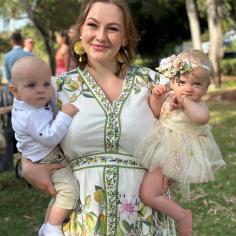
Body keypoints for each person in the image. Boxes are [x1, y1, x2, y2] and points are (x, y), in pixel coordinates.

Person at [21, 1, 177, 235]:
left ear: (125, 37)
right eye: (93, 25)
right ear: (81, 30)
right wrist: (27, 163)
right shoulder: (58, 89)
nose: (101, 36)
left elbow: (188, 131)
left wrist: (173, 165)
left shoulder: (153, 84)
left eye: (113, 28)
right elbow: (26, 125)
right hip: (81, 221)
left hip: (145, 222)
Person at [135, 49, 225, 235]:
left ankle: (182, 216)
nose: (188, 88)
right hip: (162, 148)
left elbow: (202, 118)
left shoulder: (197, 105)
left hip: (178, 150)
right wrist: (157, 97)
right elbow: (156, 111)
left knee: (148, 194)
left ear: (207, 87)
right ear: (172, 81)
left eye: (197, 84)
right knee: (151, 188)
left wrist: (185, 103)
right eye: (182, 82)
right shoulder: (171, 96)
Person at [9, 56, 80, 236]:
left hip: (41, 155)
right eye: (32, 85)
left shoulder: (28, 103)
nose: (41, 90)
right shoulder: (30, 115)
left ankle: (46, 226)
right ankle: (53, 227)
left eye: (46, 84)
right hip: (47, 156)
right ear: (15, 91)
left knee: (60, 194)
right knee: (69, 192)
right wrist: (65, 115)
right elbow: (49, 137)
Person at [1, 32, 32, 171]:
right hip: (28, 91)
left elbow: (7, 75)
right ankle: (27, 162)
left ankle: (12, 165)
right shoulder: (29, 55)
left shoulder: (6, 57)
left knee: (13, 124)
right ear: (21, 40)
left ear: (12, 41)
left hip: (12, 90)